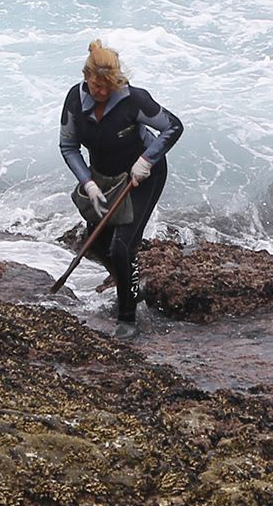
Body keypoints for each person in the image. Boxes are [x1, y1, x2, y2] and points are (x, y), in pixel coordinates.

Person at [59, 40, 183, 338]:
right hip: (103, 179)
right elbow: (68, 145)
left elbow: (173, 126)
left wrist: (147, 159)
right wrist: (87, 182)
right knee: (97, 241)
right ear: (85, 76)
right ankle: (130, 282)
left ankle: (127, 319)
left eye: (108, 87)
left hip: (143, 177)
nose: (102, 93)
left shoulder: (133, 99)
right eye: (96, 86)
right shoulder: (75, 100)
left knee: (121, 246)